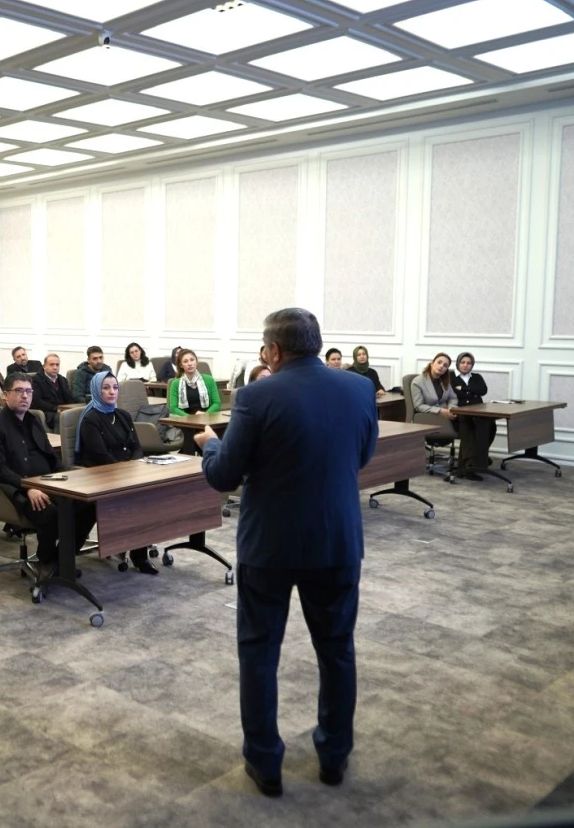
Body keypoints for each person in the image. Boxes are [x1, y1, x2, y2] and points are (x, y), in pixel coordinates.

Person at [195, 307, 376, 797]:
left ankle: (264, 762)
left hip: (269, 547)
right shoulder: (359, 388)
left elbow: (224, 476)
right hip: (336, 541)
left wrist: (209, 444)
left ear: (273, 350)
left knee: (259, 653)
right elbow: (362, 456)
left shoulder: (255, 396)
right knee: (337, 651)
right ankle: (334, 755)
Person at [0, 371, 94, 580]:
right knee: (49, 512)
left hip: (48, 483)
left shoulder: (34, 420)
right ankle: (46, 560)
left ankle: (62, 559)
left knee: (88, 504)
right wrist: (28, 487)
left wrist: (68, 479)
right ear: (6, 395)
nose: (25, 396)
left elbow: (51, 457)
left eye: (29, 391)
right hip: (15, 489)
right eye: (19, 391)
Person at [75, 372, 156, 574]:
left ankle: (139, 555)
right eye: (106, 388)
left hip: (127, 472)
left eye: (115, 387)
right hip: (100, 475)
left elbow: (137, 447)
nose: (112, 392)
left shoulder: (123, 415)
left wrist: (135, 466)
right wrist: (125, 473)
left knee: (149, 496)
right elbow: (101, 455)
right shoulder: (90, 419)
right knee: (135, 497)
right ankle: (128, 549)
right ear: (96, 390)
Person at [450, 352, 497, 480]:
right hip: (460, 413)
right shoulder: (451, 377)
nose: (465, 365)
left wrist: (464, 389)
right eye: (462, 362)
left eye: (469, 363)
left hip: (478, 411)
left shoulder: (477, 377)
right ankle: (470, 467)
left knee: (490, 426)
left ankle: (476, 459)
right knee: (469, 427)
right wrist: (472, 392)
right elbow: (454, 393)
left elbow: (483, 390)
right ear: (458, 363)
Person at [167, 349, 220, 416]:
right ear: (181, 365)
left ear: (196, 362)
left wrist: (205, 415)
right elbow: (173, 408)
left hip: (206, 418)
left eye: (192, 360)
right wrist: (191, 418)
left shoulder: (209, 380)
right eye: (185, 361)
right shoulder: (175, 383)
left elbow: (217, 404)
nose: (189, 364)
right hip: (185, 420)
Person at [31, 353, 74, 430]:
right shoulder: (36, 380)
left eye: (57, 365)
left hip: (63, 410)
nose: (55, 367)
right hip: (48, 413)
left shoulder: (63, 380)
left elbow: (69, 399)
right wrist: (55, 409)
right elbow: (36, 402)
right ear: (44, 366)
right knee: (63, 418)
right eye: (51, 365)